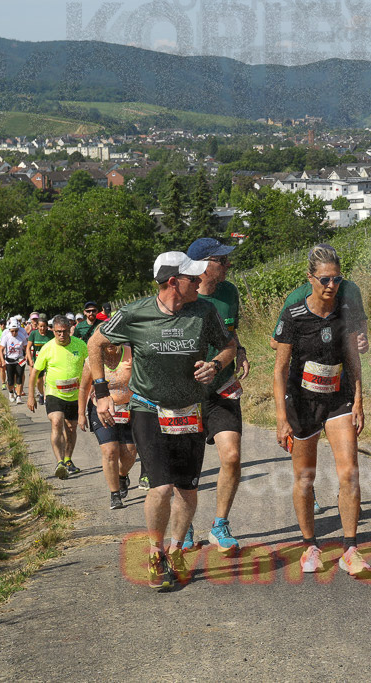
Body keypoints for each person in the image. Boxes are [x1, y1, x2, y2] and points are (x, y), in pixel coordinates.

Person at [90, 251, 236, 591]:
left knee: (187, 487)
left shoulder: (204, 310)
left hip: (189, 411)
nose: (200, 281)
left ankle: (176, 548)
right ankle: (156, 553)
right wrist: (100, 394)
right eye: (193, 278)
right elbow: (96, 342)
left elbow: (229, 345)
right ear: (174, 282)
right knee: (161, 486)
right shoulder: (134, 313)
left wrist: (216, 364)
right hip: (148, 408)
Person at [273, 245, 370, 578]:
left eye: (337, 278)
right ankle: (309, 545)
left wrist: (358, 400)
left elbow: (354, 359)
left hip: (338, 399)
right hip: (301, 403)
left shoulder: (345, 311)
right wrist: (281, 416)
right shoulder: (294, 315)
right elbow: (280, 369)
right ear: (310, 278)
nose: (331, 285)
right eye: (325, 279)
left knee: (350, 472)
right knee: (305, 478)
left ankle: (350, 548)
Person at [183, 237, 251, 555]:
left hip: (222, 388)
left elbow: (231, 331)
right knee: (188, 464)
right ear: (204, 266)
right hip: (187, 393)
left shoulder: (229, 293)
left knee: (232, 456)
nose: (228, 266)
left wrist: (241, 350)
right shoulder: (183, 297)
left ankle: (220, 525)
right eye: (222, 261)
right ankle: (184, 525)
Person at [78, 341, 137, 510]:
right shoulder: (93, 360)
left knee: (130, 453)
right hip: (101, 410)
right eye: (105, 343)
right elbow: (83, 388)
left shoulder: (130, 355)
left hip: (127, 409)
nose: (110, 345)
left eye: (114, 341)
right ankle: (115, 494)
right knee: (110, 451)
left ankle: (121, 475)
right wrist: (81, 414)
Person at [27, 316, 88, 479]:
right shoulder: (48, 348)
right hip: (54, 393)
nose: (62, 335)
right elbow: (35, 373)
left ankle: (68, 460)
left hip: (75, 395)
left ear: (70, 330)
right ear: (52, 331)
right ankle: (59, 462)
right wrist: (31, 396)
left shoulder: (80, 345)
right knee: (56, 422)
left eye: (65, 331)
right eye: (58, 332)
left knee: (71, 428)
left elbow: (90, 367)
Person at [0, 318, 29, 404]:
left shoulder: (21, 336)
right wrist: (2, 360)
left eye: (16, 331)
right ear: (9, 330)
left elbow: (26, 347)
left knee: (19, 377)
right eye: (12, 331)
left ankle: (19, 396)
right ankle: (11, 392)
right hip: (9, 360)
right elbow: (1, 349)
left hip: (19, 359)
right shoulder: (6, 337)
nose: (14, 333)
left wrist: (26, 356)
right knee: (11, 380)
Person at [26, 314, 54, 405]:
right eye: (41, 326)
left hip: (48, 360)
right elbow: (28, 347)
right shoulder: (33, 334)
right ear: (37, 326)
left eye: (44, 326)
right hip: (37, 361)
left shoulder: (51, 334)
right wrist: (30, 359)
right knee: (39, 381)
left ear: (47, 326)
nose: (42, 328)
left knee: (46, 379)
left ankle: (46, 397)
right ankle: (42, 394)